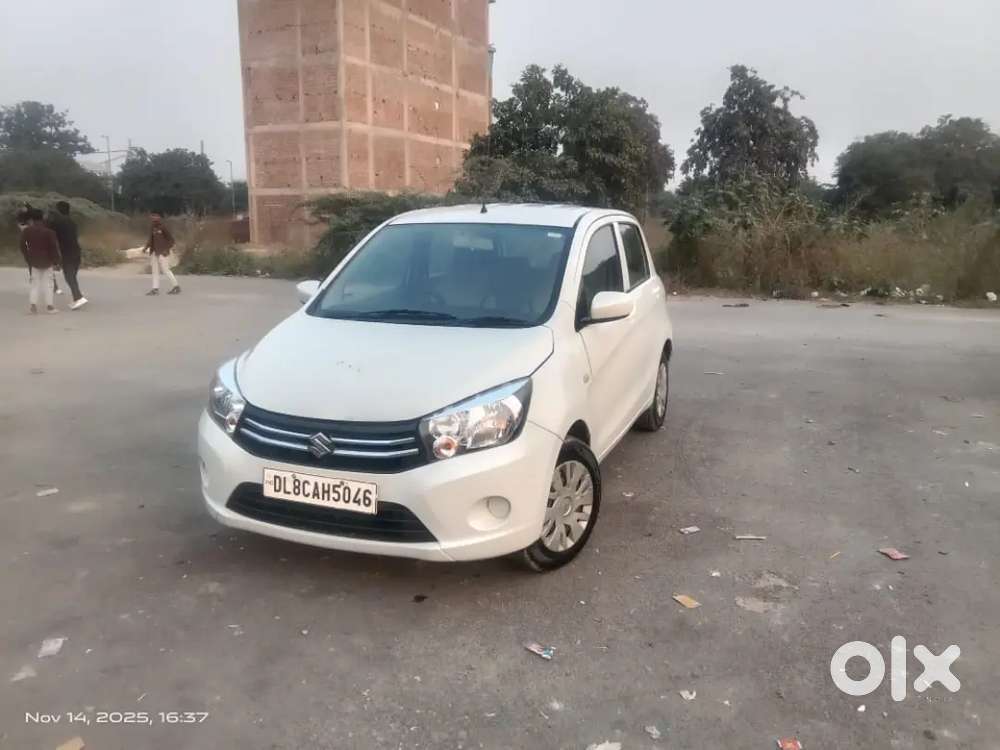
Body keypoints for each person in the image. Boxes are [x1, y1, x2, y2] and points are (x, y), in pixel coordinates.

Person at [46, 201, 88, 310]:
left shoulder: (57, 222)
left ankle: (78, 297)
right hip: (76, 251)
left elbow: (47, 228)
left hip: (67, 253)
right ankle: (77, 295)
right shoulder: (72, 222)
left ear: (58, 210)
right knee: (72, 276)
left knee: (69, 276)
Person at [20, 209, 62, 315]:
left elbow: (22, 246)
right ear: (43, 218)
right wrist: (56, 262)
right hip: (47, 261)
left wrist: (27, 257)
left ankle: (33, 306)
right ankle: (50, 307)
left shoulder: (27, 231)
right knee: (49, 284)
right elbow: (54, 248)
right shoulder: (49, 232)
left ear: (31, 219)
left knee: (34, 284)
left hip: (33, 260)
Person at [143, 213, 180, 296]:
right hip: (154, 252)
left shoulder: (163, 227)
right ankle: (155, 289)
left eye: (155, 215)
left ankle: (176, 286)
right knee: (155, 271)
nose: (153, 217)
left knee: (166, 270)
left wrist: (167, 249)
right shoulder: (153, 227)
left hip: (163, 252)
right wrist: (145, 248)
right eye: (152, 216)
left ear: (159, 217)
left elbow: (171, 240)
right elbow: (150, 239)